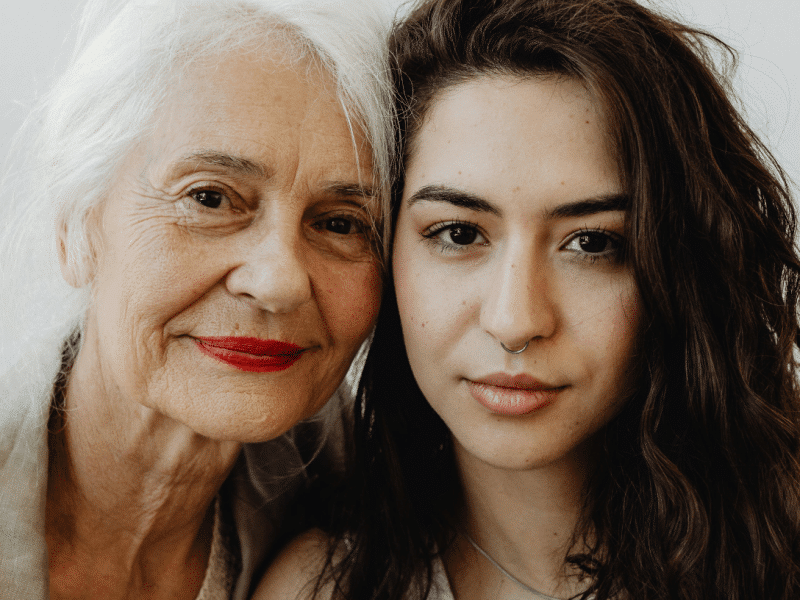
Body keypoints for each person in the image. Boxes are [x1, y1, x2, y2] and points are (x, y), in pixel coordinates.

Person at [255, 0, 800, 598]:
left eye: (592, 243)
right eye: (458, 233)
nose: (515, 321)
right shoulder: (324, 588)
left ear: (683, 266)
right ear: (384, 252)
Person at [0, 0, 394, 597]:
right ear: (78, 226)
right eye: (209, 198)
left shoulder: (370, 509)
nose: (279, 280)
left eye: (341, 223)